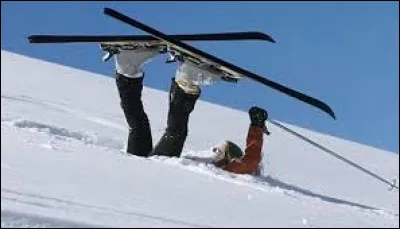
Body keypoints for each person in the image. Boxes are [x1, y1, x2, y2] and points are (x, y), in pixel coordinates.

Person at [113, 47, 269, 175]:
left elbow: (251, 161)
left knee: (174, 132)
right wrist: (257, 126)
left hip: (158, 173)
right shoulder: (211, 165)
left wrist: (257, 126)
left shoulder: (229, 171)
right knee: (139, 126)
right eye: (217, 150)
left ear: (230, 158)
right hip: (145, 172)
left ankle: (186, 81)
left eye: (220, 151)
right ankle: (127, 68)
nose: (215, 151)